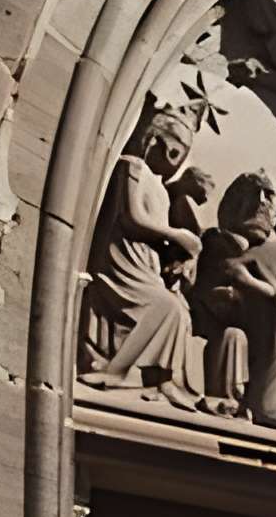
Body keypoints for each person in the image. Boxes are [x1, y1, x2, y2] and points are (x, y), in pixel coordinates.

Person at [81, 96, 208, 407]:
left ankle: (161, 381)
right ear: (152, 140)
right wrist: (178, 235)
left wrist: (177, 258)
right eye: (174, 149)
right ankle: (116, 370)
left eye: (183, 153)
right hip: (121, 260)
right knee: (165, 307)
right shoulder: (132, 166)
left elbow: (156, 235)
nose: (177, 159)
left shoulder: (163, 189)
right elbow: (133, 218)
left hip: (144, 262)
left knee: (177, 306)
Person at [193, 171, 276, 430]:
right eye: (253, 192)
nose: (261, 201)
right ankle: (225, 400)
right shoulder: (216, 242)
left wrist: (244, 282)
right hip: (231, 335)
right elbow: (202, 296)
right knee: (232, 338)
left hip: (274, 358)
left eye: (269, 195)